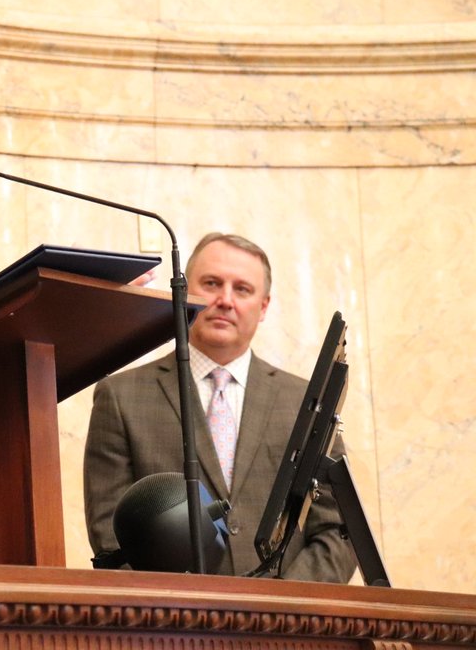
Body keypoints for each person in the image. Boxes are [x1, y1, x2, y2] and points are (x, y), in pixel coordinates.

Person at [83, 232, 358, 581]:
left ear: (264, 307)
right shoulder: (121, 397)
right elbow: (112, 540)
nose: (226, 300)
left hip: (288, 625)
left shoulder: (305, 401)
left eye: (242, 289)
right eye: (212, 283)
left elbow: (337, 529)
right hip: (170, 627)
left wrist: (281, 607)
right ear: (182, 293)